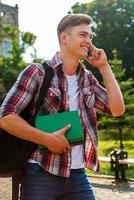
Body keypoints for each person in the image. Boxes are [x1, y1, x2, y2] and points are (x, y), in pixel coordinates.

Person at [0, 13, 125, 200]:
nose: (89, 41)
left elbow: (117, 109)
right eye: (83, 35)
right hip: (39, 173)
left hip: (78, 175)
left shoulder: (87, 79)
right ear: (64, 38)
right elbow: (6, 116)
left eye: (90, 37)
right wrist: (47, 139)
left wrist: (104, 67)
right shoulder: (37, 72)